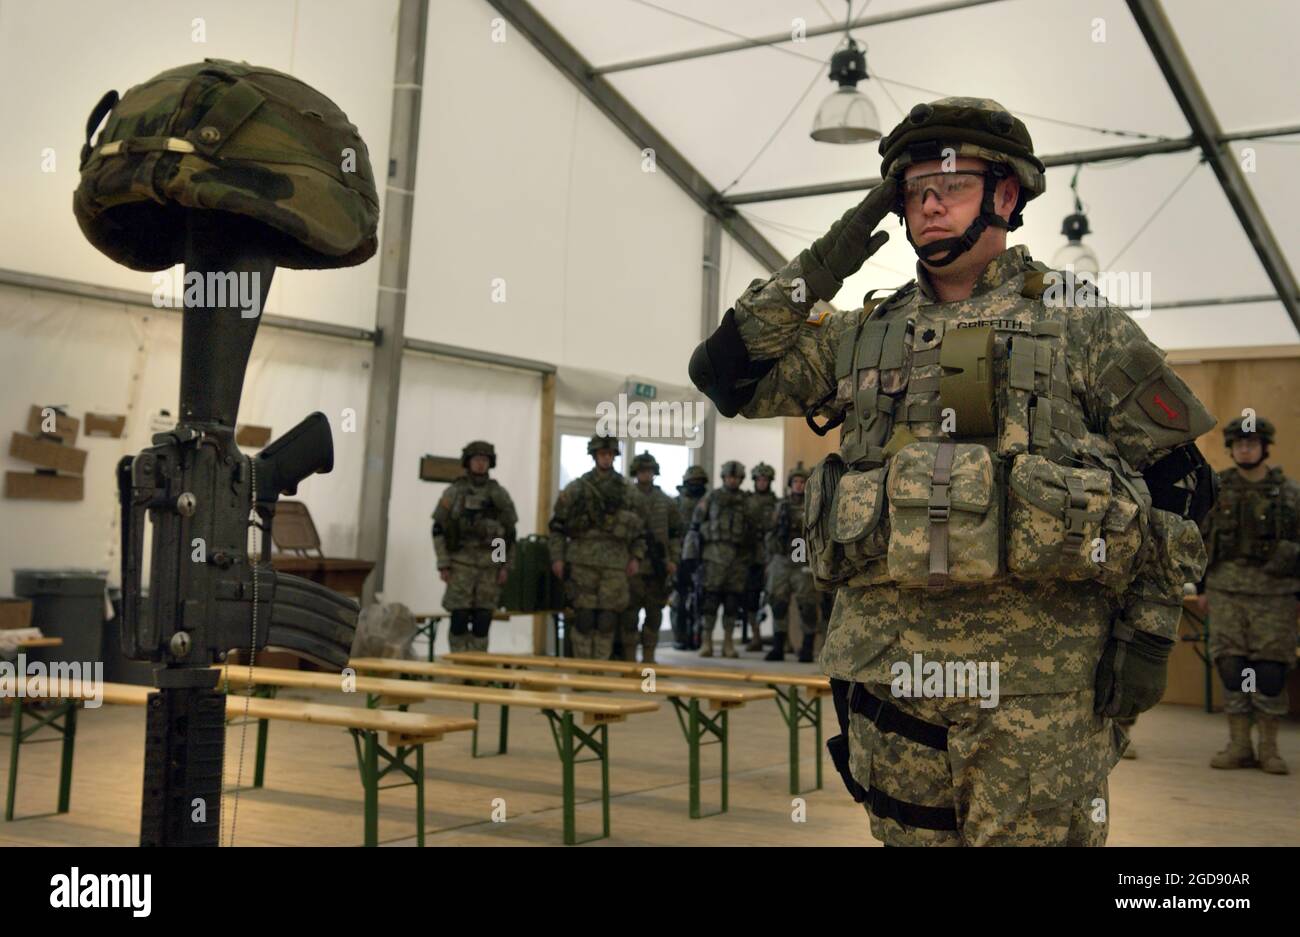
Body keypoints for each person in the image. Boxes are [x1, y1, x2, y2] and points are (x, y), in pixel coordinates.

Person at [689, 97, 1216, 845]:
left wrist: (1152, 633)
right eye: (912, 190)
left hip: (1036, 690)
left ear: (1007, 194)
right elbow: (724, 372)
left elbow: (1185, 482)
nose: (928, 203)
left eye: (952, 183)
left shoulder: (1077, 319)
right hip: (892, 680)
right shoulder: (863, 331)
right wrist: (831, 257)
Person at [1194, 416, 1295, 774]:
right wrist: (1202, 588)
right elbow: (1200, 542)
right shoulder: (1218, 490)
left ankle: (1268, 748)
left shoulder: (1288, 494)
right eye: (1238, 444)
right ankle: (1239, 745)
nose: (1245, 449)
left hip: (1275, 595)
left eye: (1251, 443)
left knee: (1268, 671)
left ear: (1265, 447)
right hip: (1226, 592)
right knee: (1233, 666)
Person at [548, 436, 645, 659]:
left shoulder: (627, 490)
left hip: (614, 564)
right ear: (594, 456)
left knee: (607, 620)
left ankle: (600, 668)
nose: (606, 458)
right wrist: (557, 558)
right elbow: (557, 527)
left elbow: (640, 531)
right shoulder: (577, 489)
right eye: (602, 454)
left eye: (610, 454)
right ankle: (583, 670)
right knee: (583, 618)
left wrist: (636, 558)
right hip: (582, 563)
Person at [432, 440, 517, 653]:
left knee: (482, 620)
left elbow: (507, 534)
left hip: (489, 568)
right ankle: (457, 670)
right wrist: (444, 563)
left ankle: (477, 670)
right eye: (476, 460)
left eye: (484, 460)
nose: (480, 464)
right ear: (468, 462)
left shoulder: (499, 495)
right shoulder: (454, 492)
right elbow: (438, 530)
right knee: (459, 618)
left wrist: (503, 565)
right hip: (460, 565)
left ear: (490, 463)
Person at [687, 461, 753, 658]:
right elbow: (695, 526)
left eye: (736, 477)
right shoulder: (712, 497)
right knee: (710, 600)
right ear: (724, 478)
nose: (732, 480)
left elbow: (753, 531)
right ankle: (706, 642)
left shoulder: (745, 501)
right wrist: (691, 558)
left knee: (732, 602)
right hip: (712, 556)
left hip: (737, 558)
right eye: (729, 477)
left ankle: (728, 643)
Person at [624, 453, 683, 664]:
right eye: (641, 471)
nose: (645, 475)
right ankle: (630, 659)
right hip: (632, 565)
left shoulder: (666, 502)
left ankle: (649, 657)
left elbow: (676, 534)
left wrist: (673, 560)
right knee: (630, 614)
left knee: (654, 614)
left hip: (658, 568)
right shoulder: (626, 498)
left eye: (649, 471)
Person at [765, 464, 822, 662]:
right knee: (778, 602)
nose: (798, 486)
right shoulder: (780, 506)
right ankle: (778, 646)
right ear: (790, 484)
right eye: (795, 482)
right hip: (781, 558)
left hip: (802, 557)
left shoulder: (813, 505)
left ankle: (807, 647)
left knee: (807, 604)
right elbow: (770, 532)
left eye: (802, 482)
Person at [673, 465, 710, 649]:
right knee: (679, 599)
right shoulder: (676, 502)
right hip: (680, 556)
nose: (696, 485)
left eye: (699, 482)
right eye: (693, 482)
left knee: (700, 600)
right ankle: (680, 637)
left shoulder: (708, 501)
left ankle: (697, 637)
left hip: (703, 556)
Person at [744, 462, 779, 651]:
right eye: (759, 480)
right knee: (751, 598)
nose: (762, 483)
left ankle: (780, 637)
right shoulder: (746, 502)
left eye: (765, 480)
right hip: (750, 557)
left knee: (775, 597)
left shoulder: (777, 503)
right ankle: (755, 636)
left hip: (771, 556)